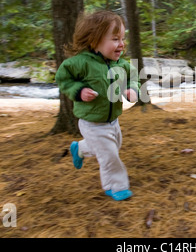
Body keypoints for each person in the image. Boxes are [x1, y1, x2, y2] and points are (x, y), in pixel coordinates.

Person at [55, 10, 140, 201]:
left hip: (112, 120)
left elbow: (133, 78)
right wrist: (79, 90)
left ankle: (79, 149)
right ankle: (116, 186)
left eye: (123, 38)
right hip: (92, 122)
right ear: (95, 40)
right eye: (115, 39)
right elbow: (63, 78)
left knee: (111, 148)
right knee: (109, 155)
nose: (121, 44)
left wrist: (132, 90)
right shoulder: (80, 63)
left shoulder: (122, 64)